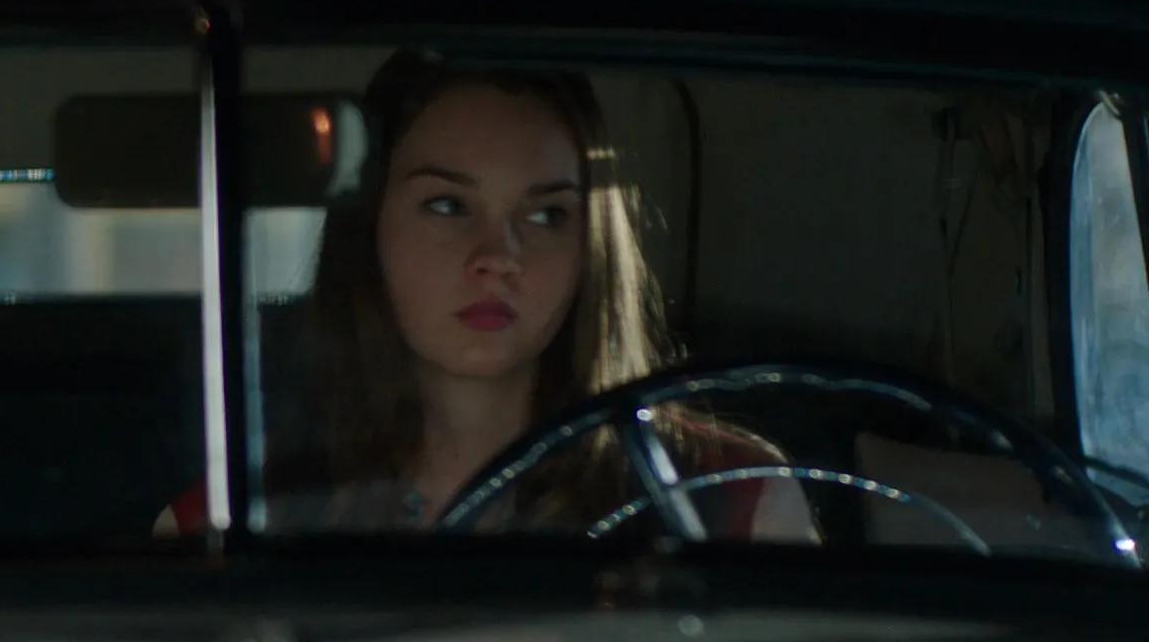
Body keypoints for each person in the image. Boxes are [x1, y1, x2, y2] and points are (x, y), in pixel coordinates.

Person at [158, 49, 817, 540]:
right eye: (447, 206)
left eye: (547, 215)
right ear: (369, 229)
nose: (498, 258)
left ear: (591, 249)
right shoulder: (237, 512)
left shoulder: (726, 496)